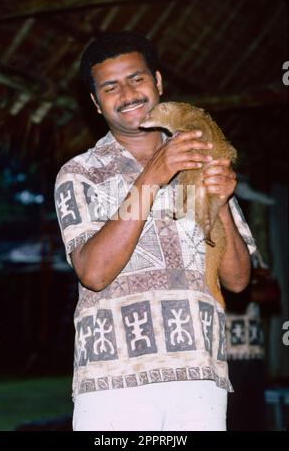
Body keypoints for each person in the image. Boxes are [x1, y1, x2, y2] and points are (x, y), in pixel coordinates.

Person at [54, 31, 256, 431]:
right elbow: (93, 273)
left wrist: (220, 204)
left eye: (136, 78)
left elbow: (236, 280)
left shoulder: (201, 155)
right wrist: (154, 174)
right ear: (96, 103)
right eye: (110, 87)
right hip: (113, 380)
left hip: (201, 376)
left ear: (158, 82)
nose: (127, 93)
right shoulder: (80, 174)